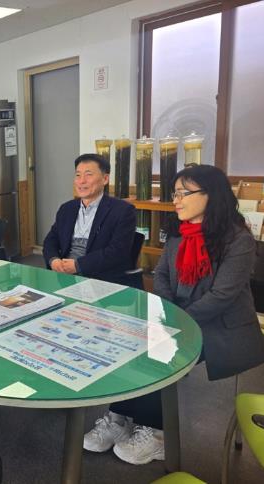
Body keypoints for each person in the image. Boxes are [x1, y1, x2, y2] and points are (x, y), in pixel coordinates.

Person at [83, 165, 264, 465]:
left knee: (158, 353)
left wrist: (177, 323)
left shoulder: (238, 240)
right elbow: (162, 276)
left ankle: (157, 435)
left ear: (211, 195)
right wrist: (168, 314)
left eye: (183, 193)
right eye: (174, 193)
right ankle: (119, 419)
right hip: (176, 316)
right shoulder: (179, 233)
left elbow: (222, 296)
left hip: (219, 326)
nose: (176, 200)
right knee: (129, 343)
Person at [42, 153, 136, 285]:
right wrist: (53, 260)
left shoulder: (123, 211)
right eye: (78, 175)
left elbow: (117, 252)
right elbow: (50, 240)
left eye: (88, 175)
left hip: (102, 280)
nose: (81, 181)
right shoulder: (66, 209)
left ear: (105, 179)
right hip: (65, 276)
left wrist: (78, 265)